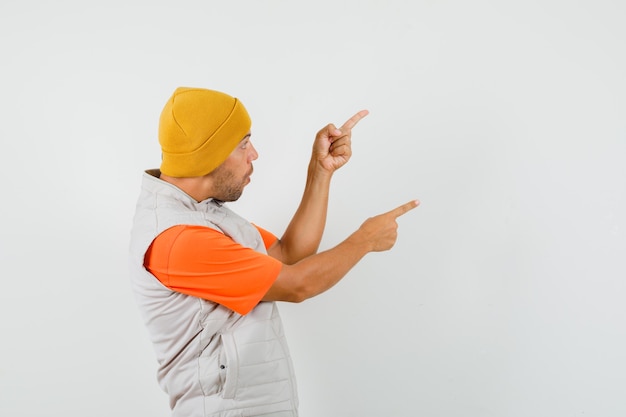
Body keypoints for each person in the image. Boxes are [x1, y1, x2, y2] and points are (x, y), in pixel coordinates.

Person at [129, 87, 419, 417]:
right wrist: (365, 240)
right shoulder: (180, 239)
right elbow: (298, 284)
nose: (254, 154)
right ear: (208, 155)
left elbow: (288, 253)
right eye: (243, 144)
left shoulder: (204, 215)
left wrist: (320, 171)